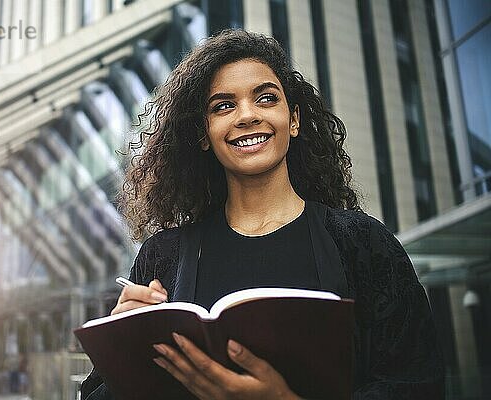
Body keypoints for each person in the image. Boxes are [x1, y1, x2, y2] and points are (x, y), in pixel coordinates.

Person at [81, 29, 444, 399]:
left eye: (266, 98)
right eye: (223, 106)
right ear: (204, 135)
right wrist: (125, 348)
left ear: (295, 119)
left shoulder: (363, 243)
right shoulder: (162, 257)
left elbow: (418, 385)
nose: (247, 116)